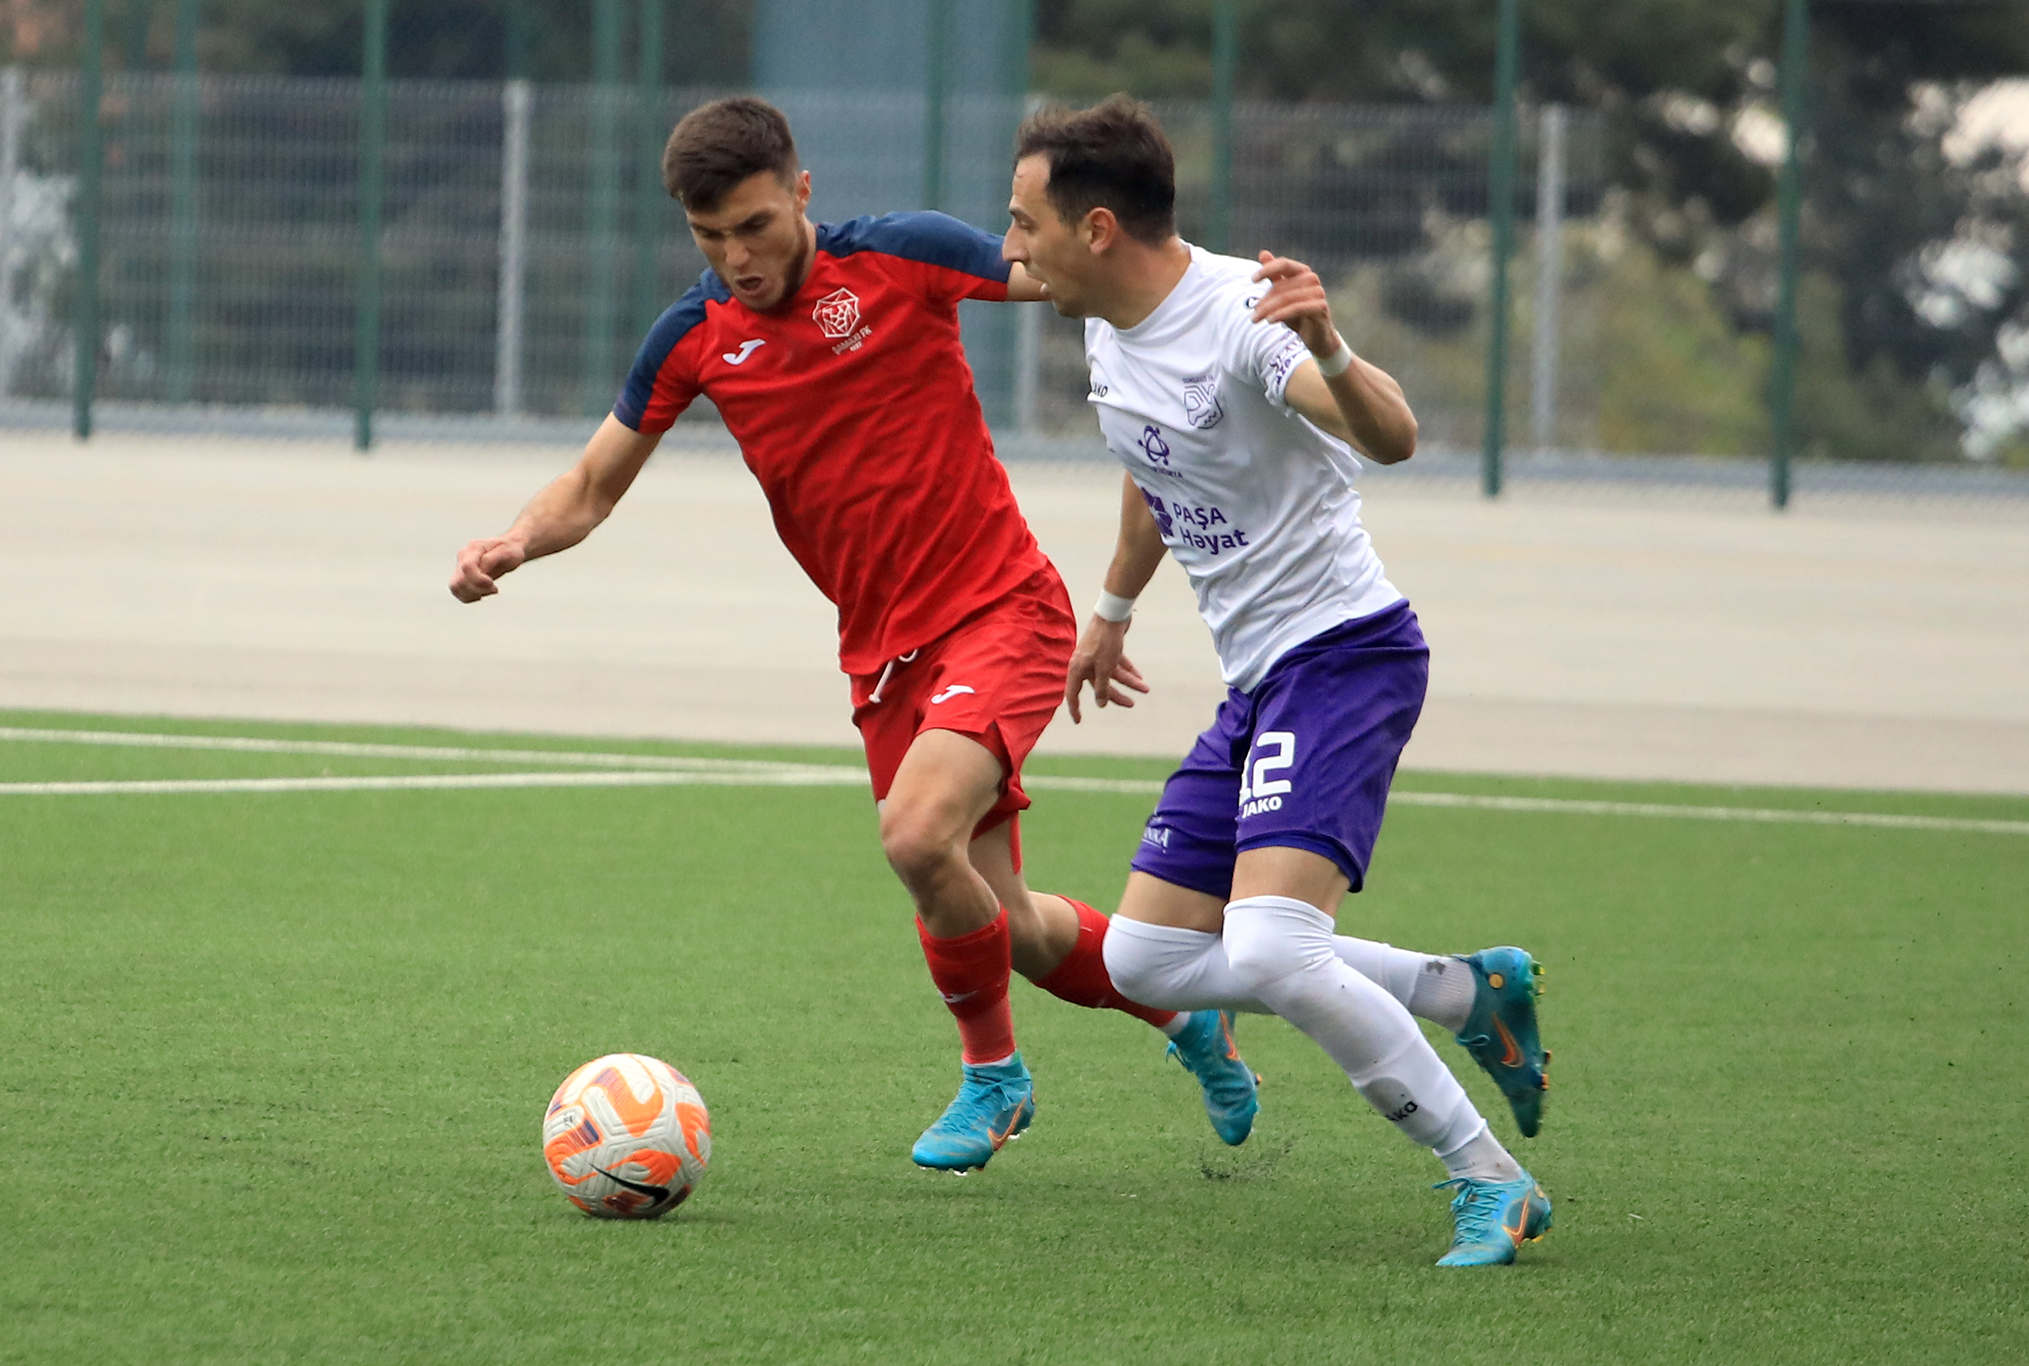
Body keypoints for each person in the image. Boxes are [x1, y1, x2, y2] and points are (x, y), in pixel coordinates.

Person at [449, 97, 1257, 1174]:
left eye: (754, 226)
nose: (737, 258)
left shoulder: (899, 257)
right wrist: (514, 540)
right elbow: (592, 485)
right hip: (883, 657)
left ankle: (993, 1079)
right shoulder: (693, 336)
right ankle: (1186, 1014)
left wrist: (1220, 308)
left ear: (802, 192)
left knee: (915, 835)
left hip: (1002, 609)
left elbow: (1071, 273)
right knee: (1009, 921)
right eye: (709, 236)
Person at [1000, 96, 1553, 1266]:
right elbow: (1152, 463)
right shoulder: (1104, 324)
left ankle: (1491, 1181)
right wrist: (1110, 610)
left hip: (1344, 655)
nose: (1011, 247)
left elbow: (1392, 436)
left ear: (1095, 227)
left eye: (1023, 222)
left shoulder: (1239, 321)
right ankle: (1467, 994)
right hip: (1260, 683)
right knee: (1144, 960)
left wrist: (1330, 347)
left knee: (1269, 950)